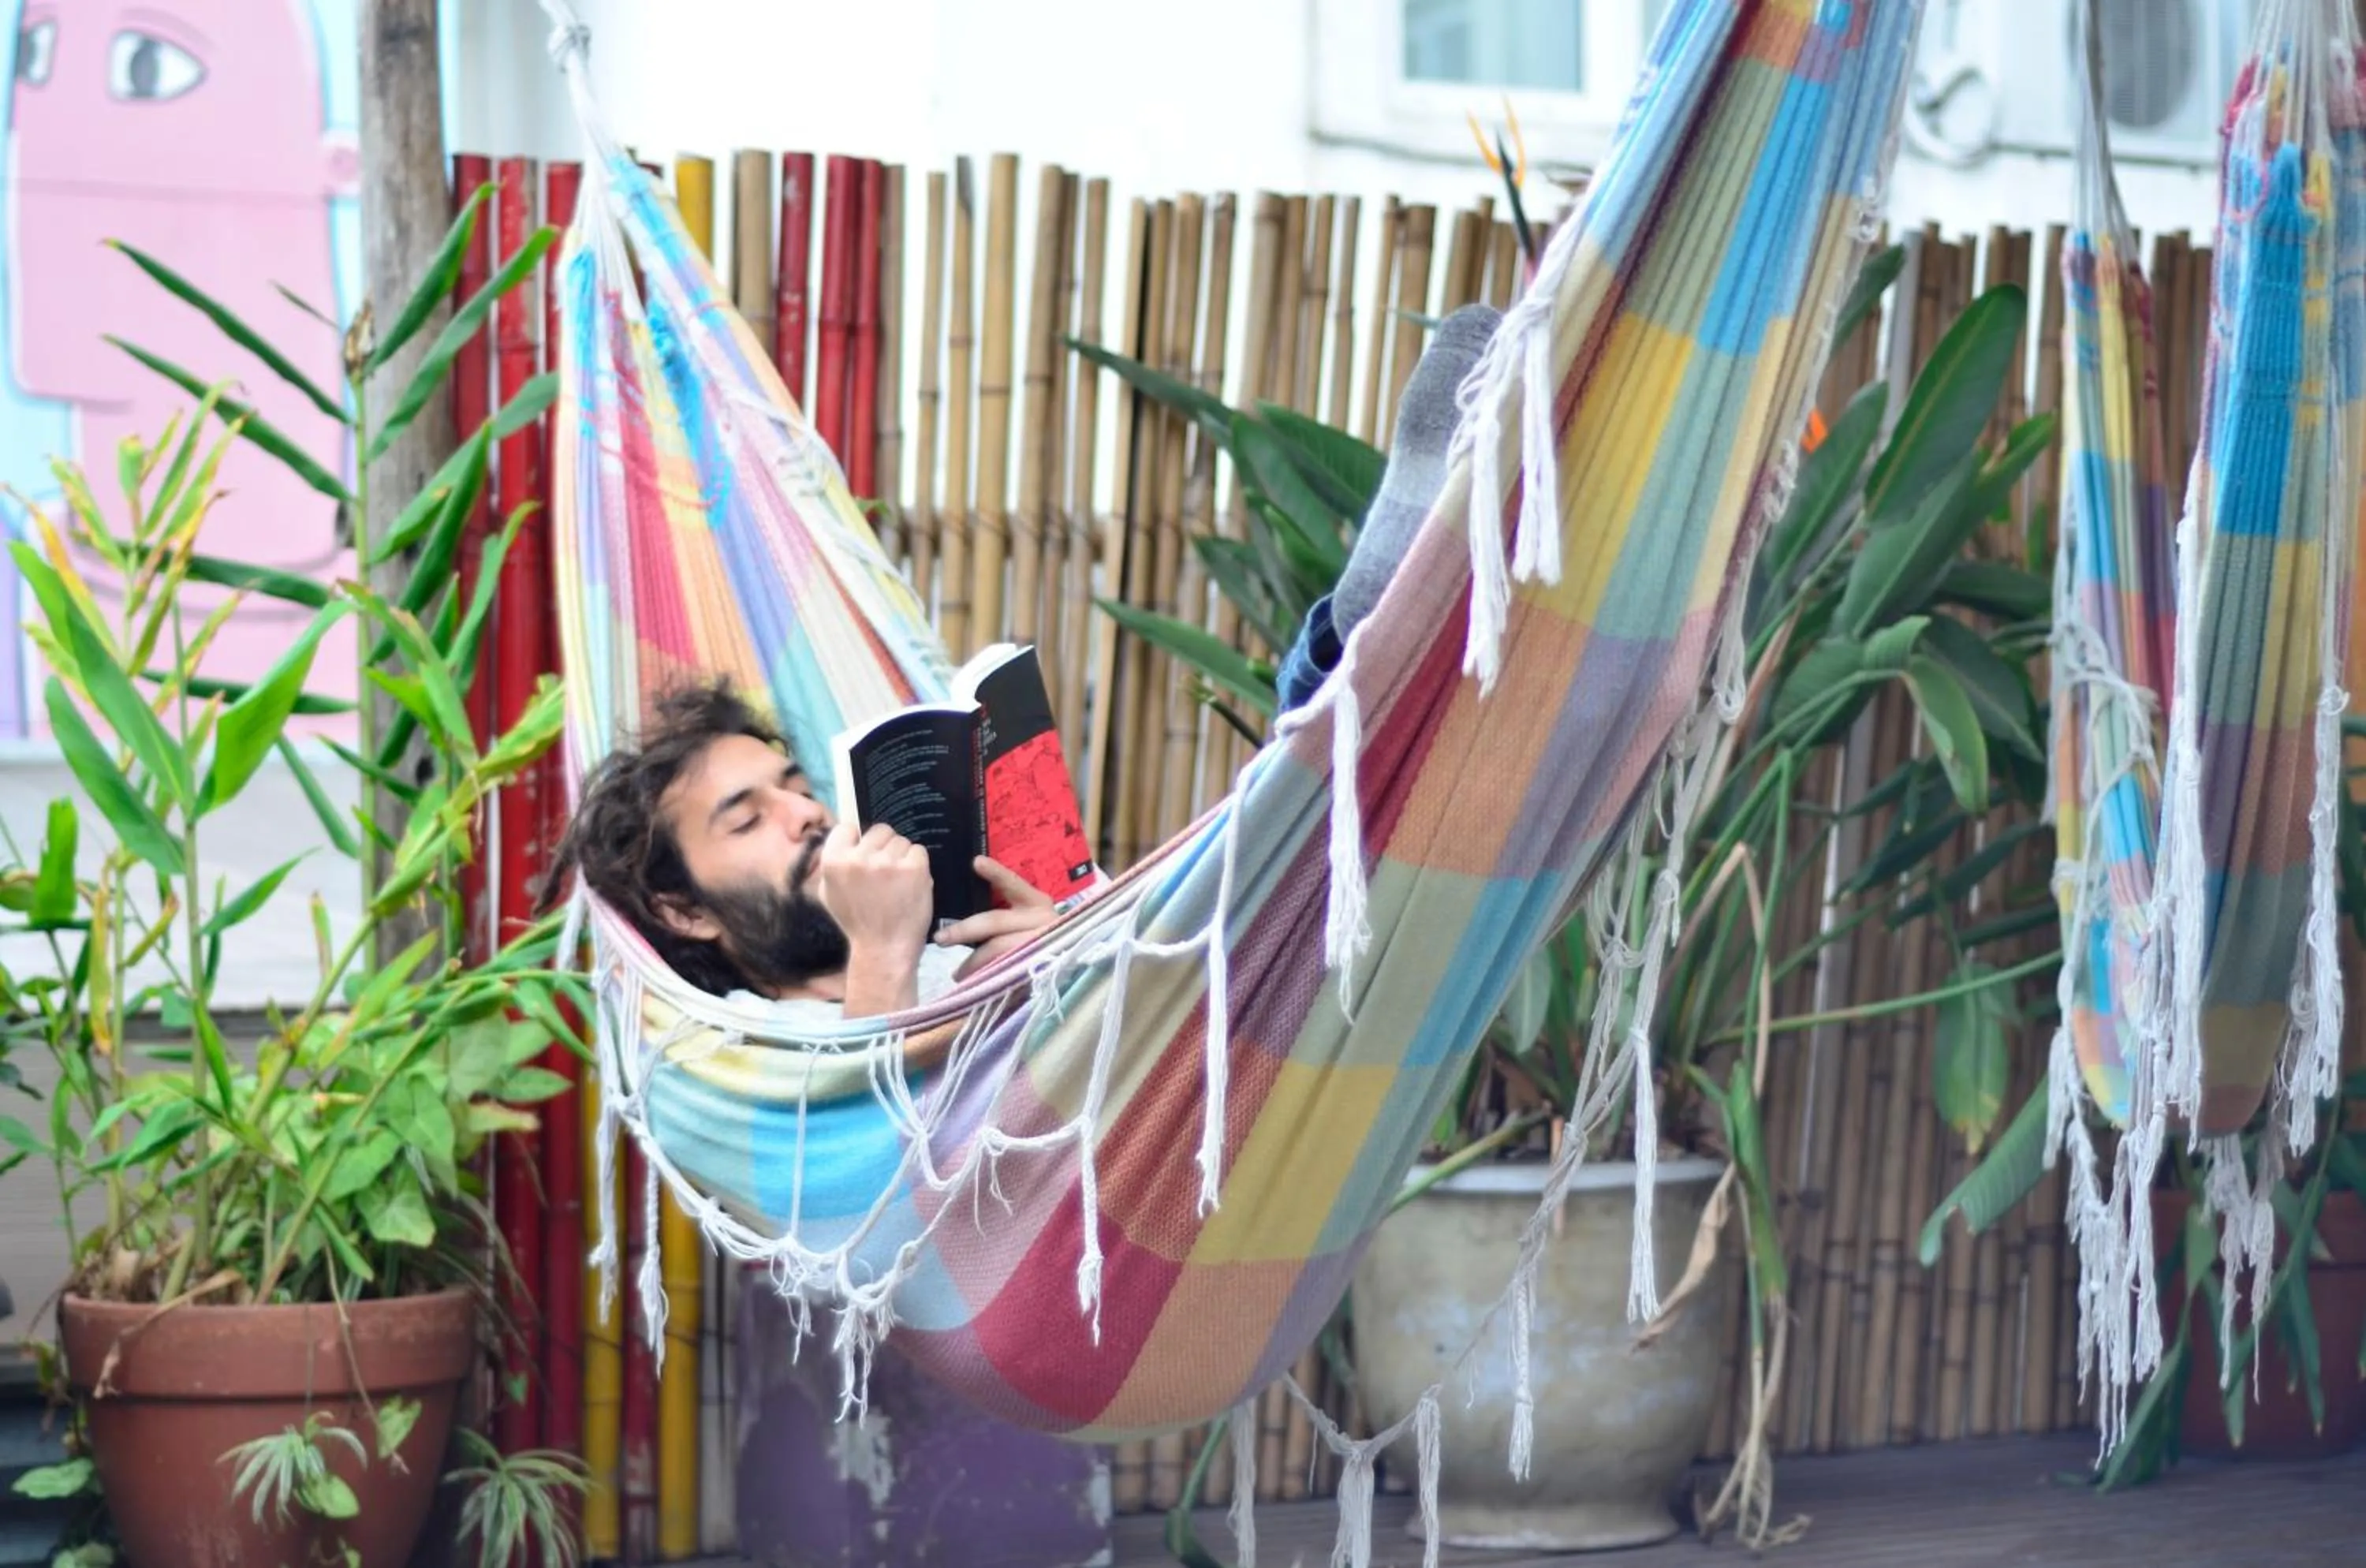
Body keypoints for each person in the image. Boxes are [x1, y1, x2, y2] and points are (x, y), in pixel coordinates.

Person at [554, 304, 1503, 1022]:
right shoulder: (748, 1042)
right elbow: (883, 1195)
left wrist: (1052, 954)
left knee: (1263, 860)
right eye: (746, 818)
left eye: (794, 784)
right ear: (683, 910)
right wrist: (891, 953)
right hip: (1086, 1187)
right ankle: (1365, 639)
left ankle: (1367, 630)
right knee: (1280, 888)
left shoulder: (938, 945)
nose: (805, 812)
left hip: (1167, 1033)